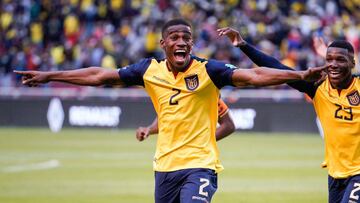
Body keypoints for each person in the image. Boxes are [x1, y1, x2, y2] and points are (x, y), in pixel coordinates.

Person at [15, 19, 325, 203]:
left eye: (186, 38)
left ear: (192, 44)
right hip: (164, 168)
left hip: (200, 167)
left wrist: (297, 76)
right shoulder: (149, 70)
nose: (181, 42)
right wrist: (49, 76)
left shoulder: (209, 70)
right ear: (163, 43)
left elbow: (253, 77)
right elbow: (100, 76)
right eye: (174, 38)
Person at [218, 27, 360, 203]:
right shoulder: (318, 87)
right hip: (336, 174)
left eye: (340, 60)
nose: (333, 64)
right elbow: (277, 67)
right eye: (329, 59)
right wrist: (243, 45)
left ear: (352, 63)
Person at [136, 98, 235, 142]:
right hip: (168, 161)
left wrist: (201, 142)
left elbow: (228, 125)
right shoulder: (165, 85)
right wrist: (148, 129)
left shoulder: (206, 86)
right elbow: (165, 121)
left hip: (198, 161)